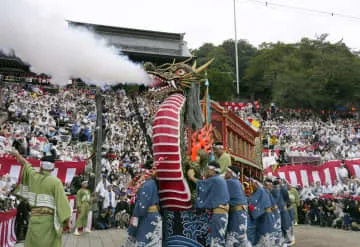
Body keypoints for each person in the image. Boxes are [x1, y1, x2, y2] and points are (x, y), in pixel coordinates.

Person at [10, 148, 71, 247]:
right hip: (48, 222)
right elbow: (62, 203)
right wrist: (68, 222)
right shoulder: (56, 182)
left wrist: (17, 155)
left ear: (41, 166)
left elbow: (26, 164)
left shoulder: (33, 176)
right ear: (52, 168)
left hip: (34, 219)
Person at [188, 161, 230, 246]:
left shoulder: (216, 179)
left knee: (216, 240)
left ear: (213, 170)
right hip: (221, 213)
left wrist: (191, 177)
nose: (207, 171)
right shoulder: (219, 179)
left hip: (219, 214)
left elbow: (202, 184)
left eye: (208, 169)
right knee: (218, 239)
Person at [123, 165, 162, 247]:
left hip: (148, 218)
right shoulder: (153, 183)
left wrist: (135, 216)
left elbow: (142, 207)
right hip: (155, 216)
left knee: (143, 242)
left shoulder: (147, 185)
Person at [224, 165, 250, 247]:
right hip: (241, 213)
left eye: (227, 172)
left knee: (232, 239)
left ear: (231, 173)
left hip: (237, 214)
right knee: (241, 239)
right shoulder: (237, 182)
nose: (225, 174)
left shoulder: (230, 182)